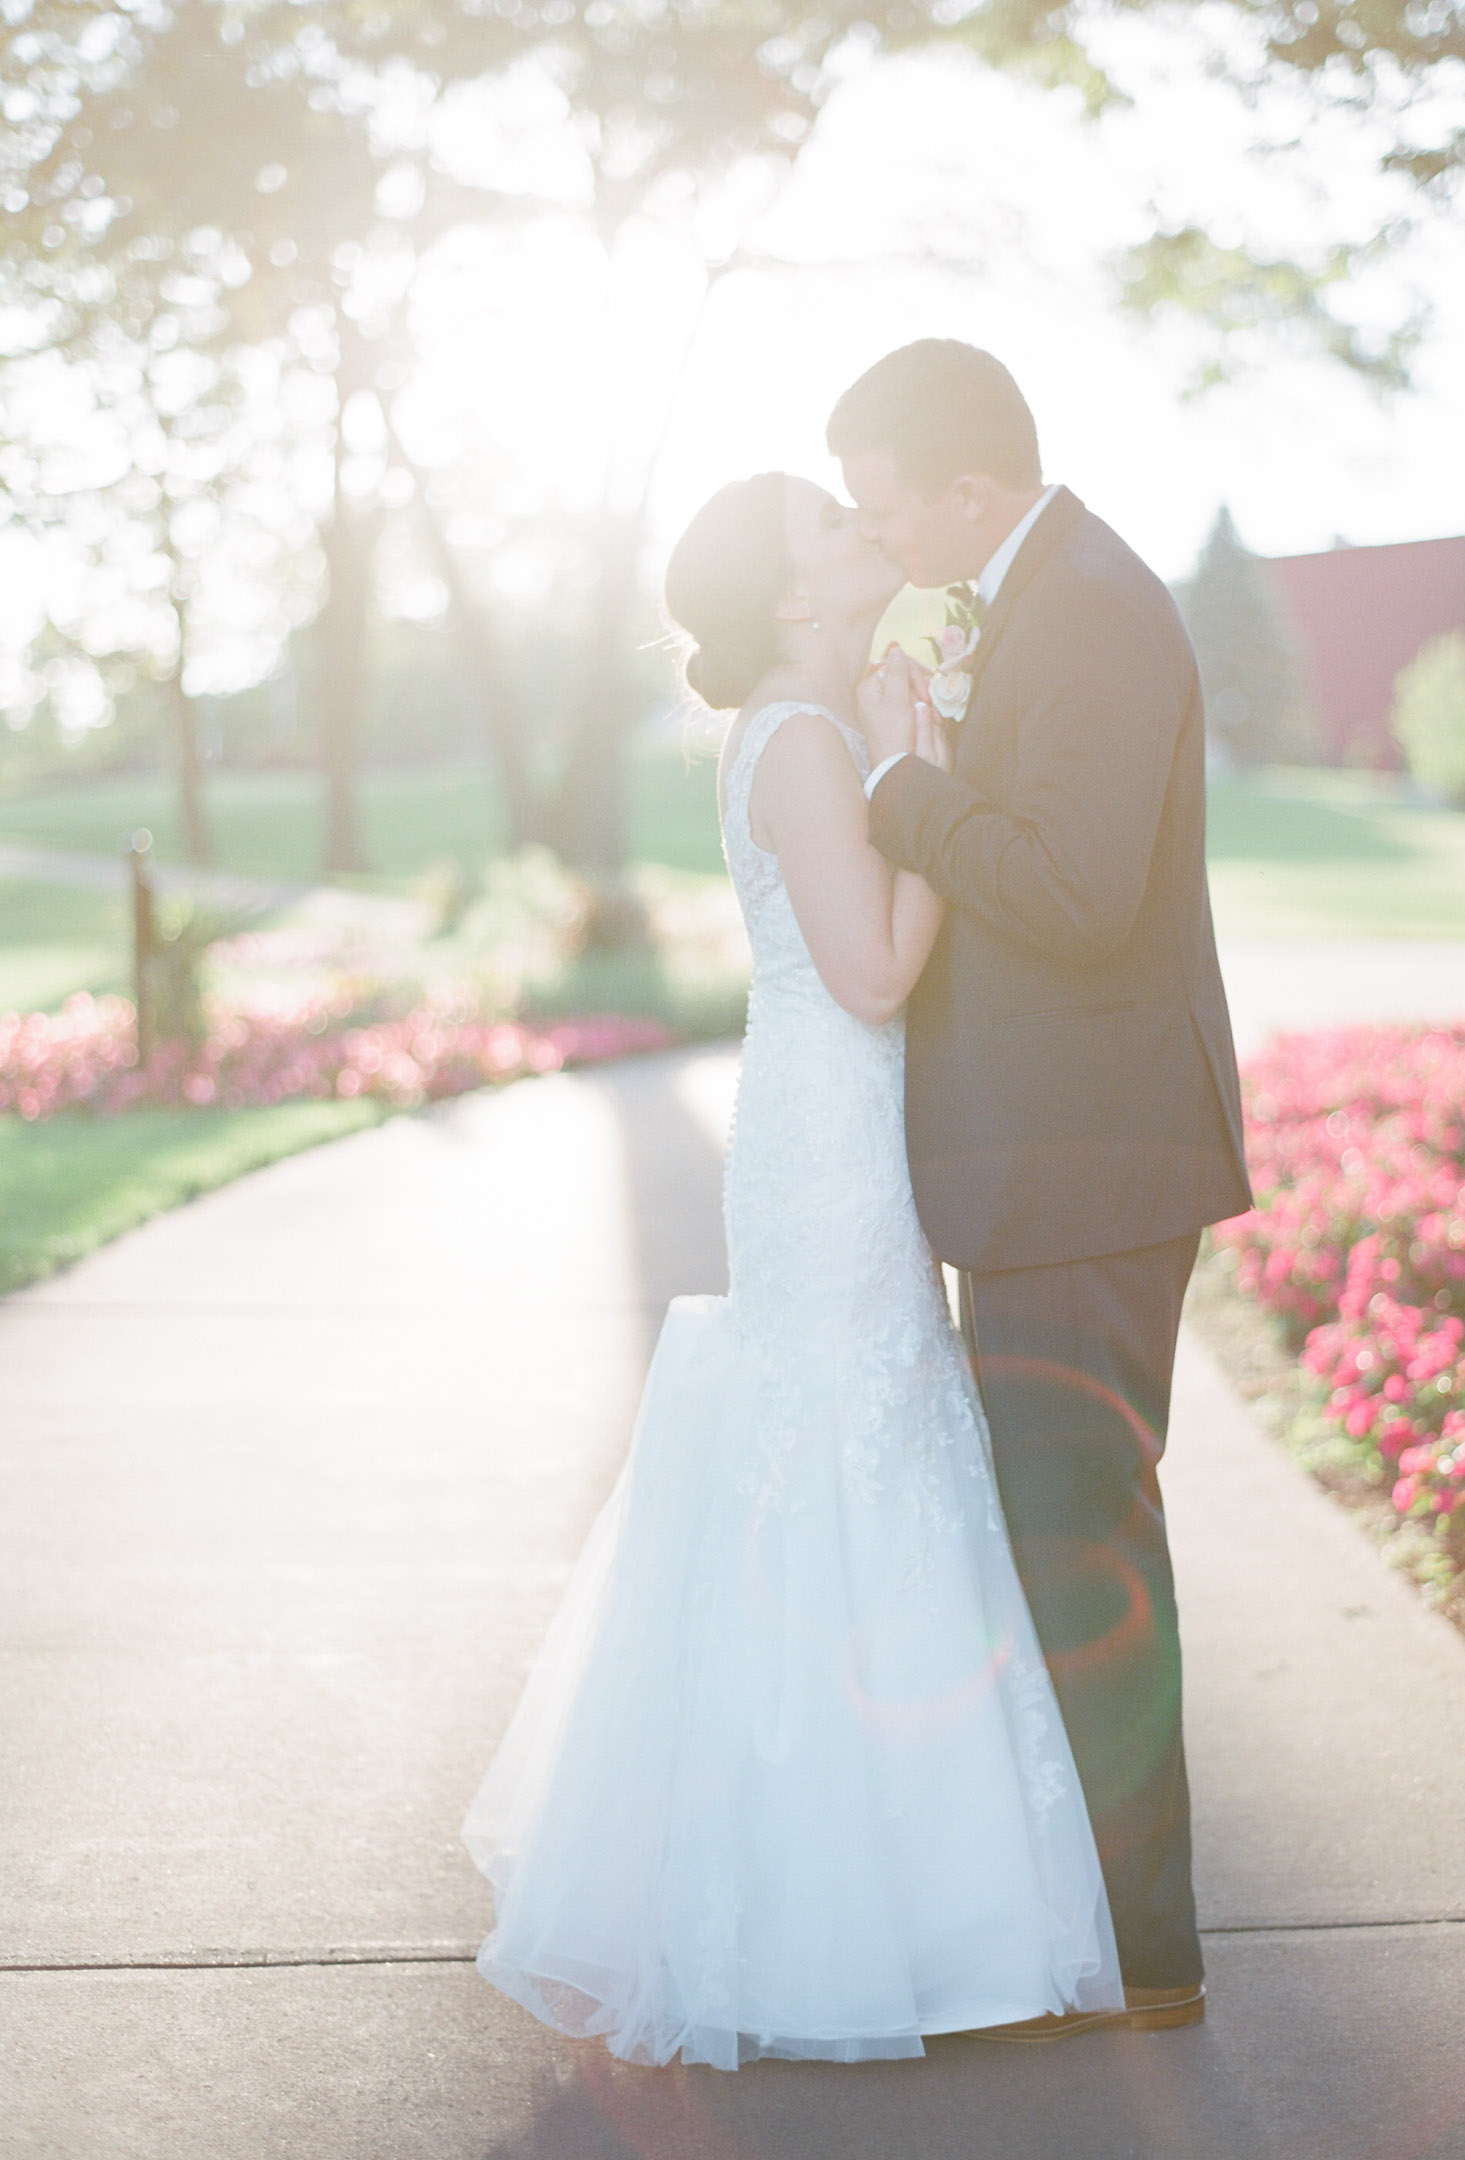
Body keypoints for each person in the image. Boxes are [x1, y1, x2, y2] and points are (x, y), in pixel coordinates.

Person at [462, 469, 1123, 2070]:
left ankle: (896, 1898)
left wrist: (908, 757)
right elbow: (878, 972)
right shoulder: (814, 744)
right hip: (830, 1145)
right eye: (834, 528)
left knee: (865, 1453)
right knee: (853, 1453)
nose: (863, 537)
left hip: (825, 1134)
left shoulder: (793, 725)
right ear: (790, 595)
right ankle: (860, 1912)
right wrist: (930, 775)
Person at [827, 339, 1253, 2035]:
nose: (877, 544)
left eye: (887, 511)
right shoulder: (1027, 591)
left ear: (971, 489)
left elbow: (1077, 895)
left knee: (1084, 1544)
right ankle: (1090, 1914)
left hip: (1087, 1158)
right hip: (1049, 1154)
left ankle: (1147, 1952)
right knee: (1055, 1533)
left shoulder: (1086, 603)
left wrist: (900, 792)